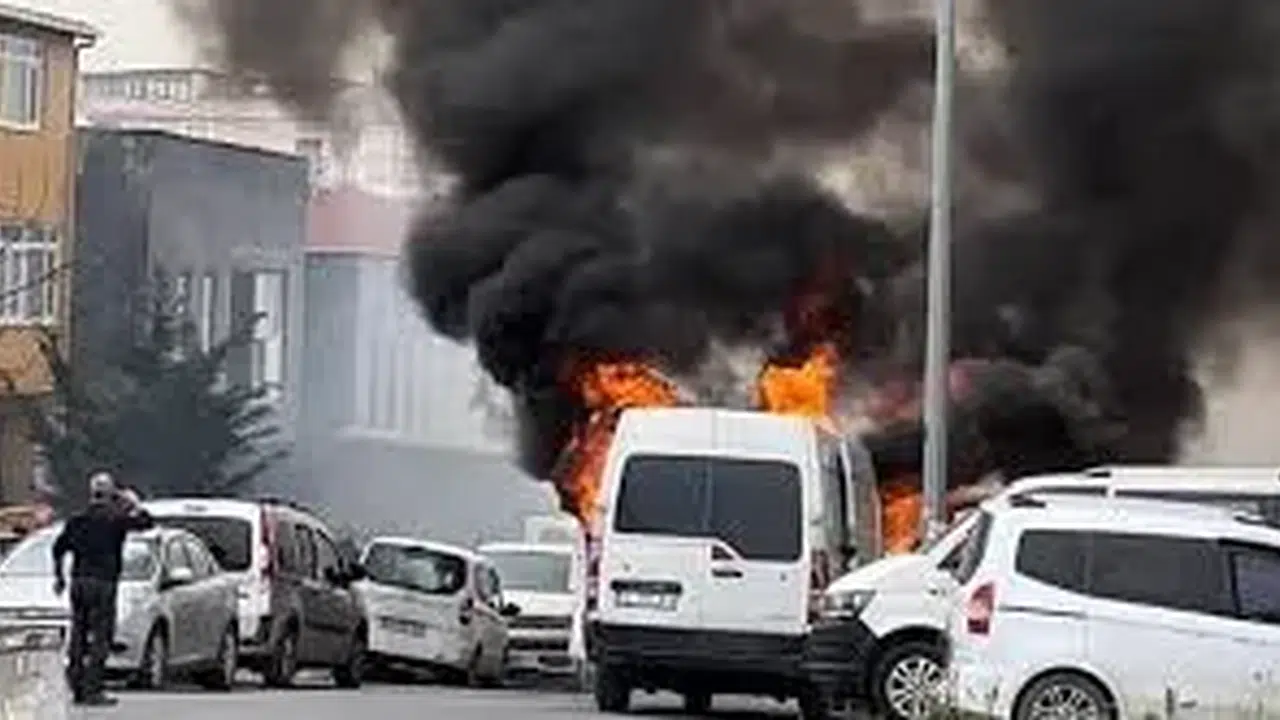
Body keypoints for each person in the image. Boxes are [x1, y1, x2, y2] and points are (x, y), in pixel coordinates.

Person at [52, 472, 154, 706]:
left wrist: (59, 577)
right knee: (101, 637)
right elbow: (147, 523)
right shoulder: (116, 520)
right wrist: (135, 504)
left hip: (79, 581)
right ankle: (93, 689)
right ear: (110, 494)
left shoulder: (77, 520)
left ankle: (76, 685)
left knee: (78, 634)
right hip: (104, 583)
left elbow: (58, 548)